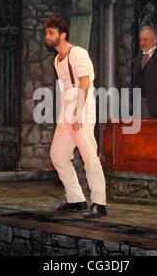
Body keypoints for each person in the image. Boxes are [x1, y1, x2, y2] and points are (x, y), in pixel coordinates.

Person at [44, 15, 107, 219]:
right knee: (58, 155)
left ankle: (99, 202)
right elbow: (64, 89)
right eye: (47, 33)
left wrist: (78, 110)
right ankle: (76, 199)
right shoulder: (57, 59)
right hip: (68, 109)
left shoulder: (77, 53)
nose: (47, 36)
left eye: (51, 33)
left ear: (62, 35)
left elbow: (85, 82)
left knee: (89, 155)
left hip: (83, 105)